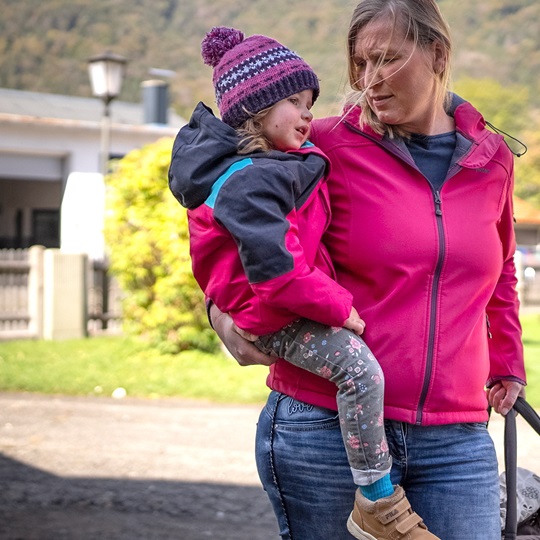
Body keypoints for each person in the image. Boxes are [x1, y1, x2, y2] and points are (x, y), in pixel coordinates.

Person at [205, 1, 528, 540]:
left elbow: (502, 271)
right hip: (323, 427)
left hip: (455, 440)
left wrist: (509, 363)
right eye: (360, 63)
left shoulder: (492, 159)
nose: (369, 80)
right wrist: (219, 310)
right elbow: (228, 215)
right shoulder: (318, 145)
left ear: (438, 54)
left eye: (387, 59)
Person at [169, 26, 438, 539]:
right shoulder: (248, 180)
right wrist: (338, 305)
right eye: (294, 101)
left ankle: (376, 494)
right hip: (271, 312)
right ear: (255, 108)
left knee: (358, 370)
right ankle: (377, 499)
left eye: (310, 103)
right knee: (359, 371)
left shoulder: (272, 165)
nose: (308, 113)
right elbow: (276, 272)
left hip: (277, 305)